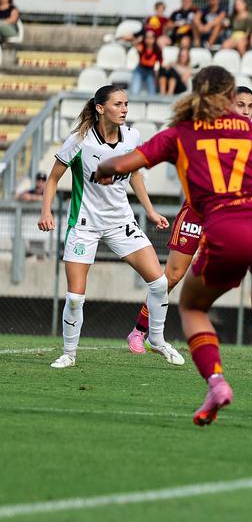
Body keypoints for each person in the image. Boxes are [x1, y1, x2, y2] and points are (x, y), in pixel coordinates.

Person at [95, 66, 252, 434]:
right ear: (231, 99)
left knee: (192, 307)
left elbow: (121, 163)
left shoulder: (180, 133)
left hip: (229, 229)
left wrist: (104, 169)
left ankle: (216, 382)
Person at [36, 85, 182, 370]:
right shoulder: (79, 141)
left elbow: (134, 173)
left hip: (120, 222)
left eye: (126, 104)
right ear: (101, 108)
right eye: (118, 104)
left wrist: (150, 210)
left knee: (159, 282)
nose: (124, 109)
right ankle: (69, 354)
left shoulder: (132, 136)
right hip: (85, 224)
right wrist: (46, 211)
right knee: (75, 298)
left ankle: (156, 339)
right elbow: (53, 179)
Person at [126, 87, 252, 357]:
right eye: (240, 105)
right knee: (172, 276)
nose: (246, 111)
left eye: (250, 106)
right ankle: (139, 331)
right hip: (197, 212)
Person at [130, 30, 161, 95]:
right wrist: (140, 39)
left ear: (154, 39)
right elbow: (133, 43)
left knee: (152, 93)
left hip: (150, 72)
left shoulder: (157, 50)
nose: (149, 40)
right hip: (140, 70)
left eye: (151, 38)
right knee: (134, 91)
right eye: (147, 38)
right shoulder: (141, 47)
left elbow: (159, 64)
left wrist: (156, 77)